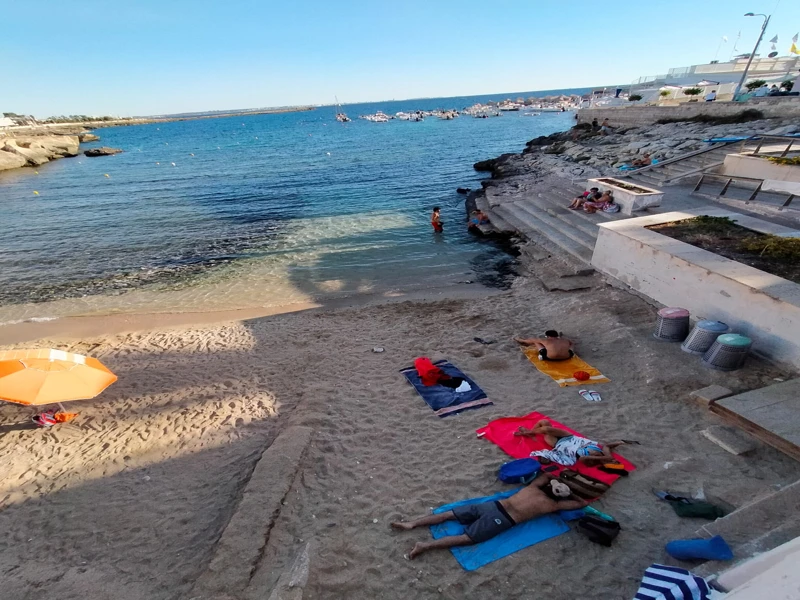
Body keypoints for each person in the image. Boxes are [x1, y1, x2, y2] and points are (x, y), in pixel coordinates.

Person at [391, 474, 588, 559]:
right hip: (503, 519)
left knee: (448, 515)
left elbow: (547, 475)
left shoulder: (533, 487)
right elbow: (582, 504)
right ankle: (424, 546)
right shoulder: (552, 504)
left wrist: (558, 479)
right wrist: (571, 492)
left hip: (492, 506)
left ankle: (412, 523)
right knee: (467, 539)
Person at [514, 419, 636, 468]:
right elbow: (607, 446)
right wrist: (621, 442)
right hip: (569, 437)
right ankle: (530, 432)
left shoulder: (592, 461)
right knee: (544, 422)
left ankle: (529, 433)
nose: (615, 460)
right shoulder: (604, 453)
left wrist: (606, 458)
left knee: (545, 428)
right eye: (616, 460)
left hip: (559, 443)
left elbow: (583, 458)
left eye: (614, 462)